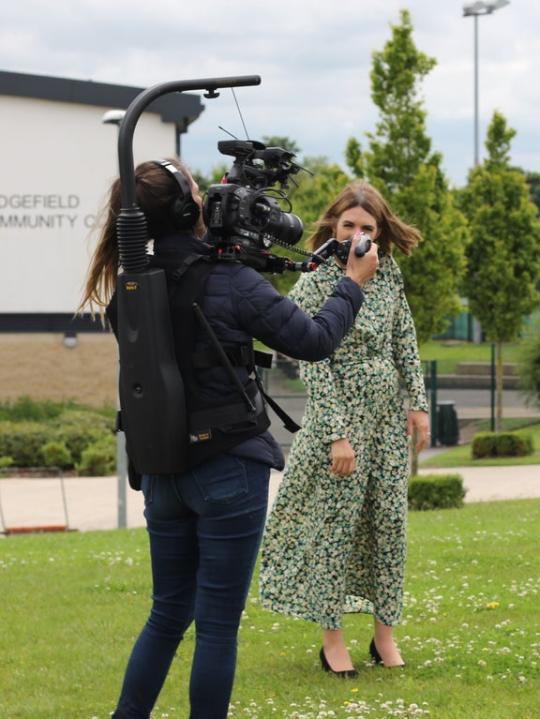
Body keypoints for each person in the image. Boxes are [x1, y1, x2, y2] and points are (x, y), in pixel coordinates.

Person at [79, 158, 379, 719]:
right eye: (198, 191)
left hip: (165, 471)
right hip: (227, 469)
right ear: (188, 209)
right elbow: (314, 340)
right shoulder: (228, 280)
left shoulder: (131, 286)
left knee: (167, 614)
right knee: (216, 624)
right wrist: (352, 285)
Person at [259, 180, 430, 677]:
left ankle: (385, 635)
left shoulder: (387, 273)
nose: (357, 234)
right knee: (335, 531)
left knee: (389, 527)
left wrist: (417, 403)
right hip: (341, 425)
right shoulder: (314, 282)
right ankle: (332, 639)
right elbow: (312, 364)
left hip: (385, 424)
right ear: (333, 226)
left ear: (381, 234)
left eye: (367, 227)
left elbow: (405, 337)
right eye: (349, 224)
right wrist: (337, 432)